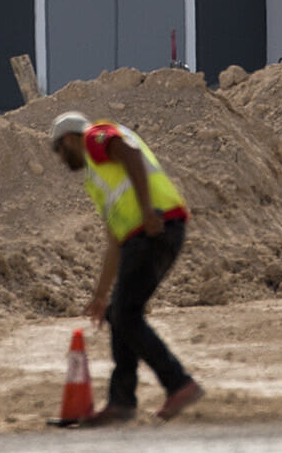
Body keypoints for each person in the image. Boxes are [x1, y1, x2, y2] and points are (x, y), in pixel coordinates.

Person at [49, 110, 203, 422]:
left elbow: (130, 154)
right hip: (143, 235)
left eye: (59, 152)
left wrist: (147, 211)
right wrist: (100, 295)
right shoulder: (97, 178)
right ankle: (122, 402)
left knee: (125, 314)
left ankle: (178, 383)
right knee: (119, 312)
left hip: (154, 228)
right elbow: (113, 243)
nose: (61, 160)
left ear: (68, 139)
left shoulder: (94, 138)